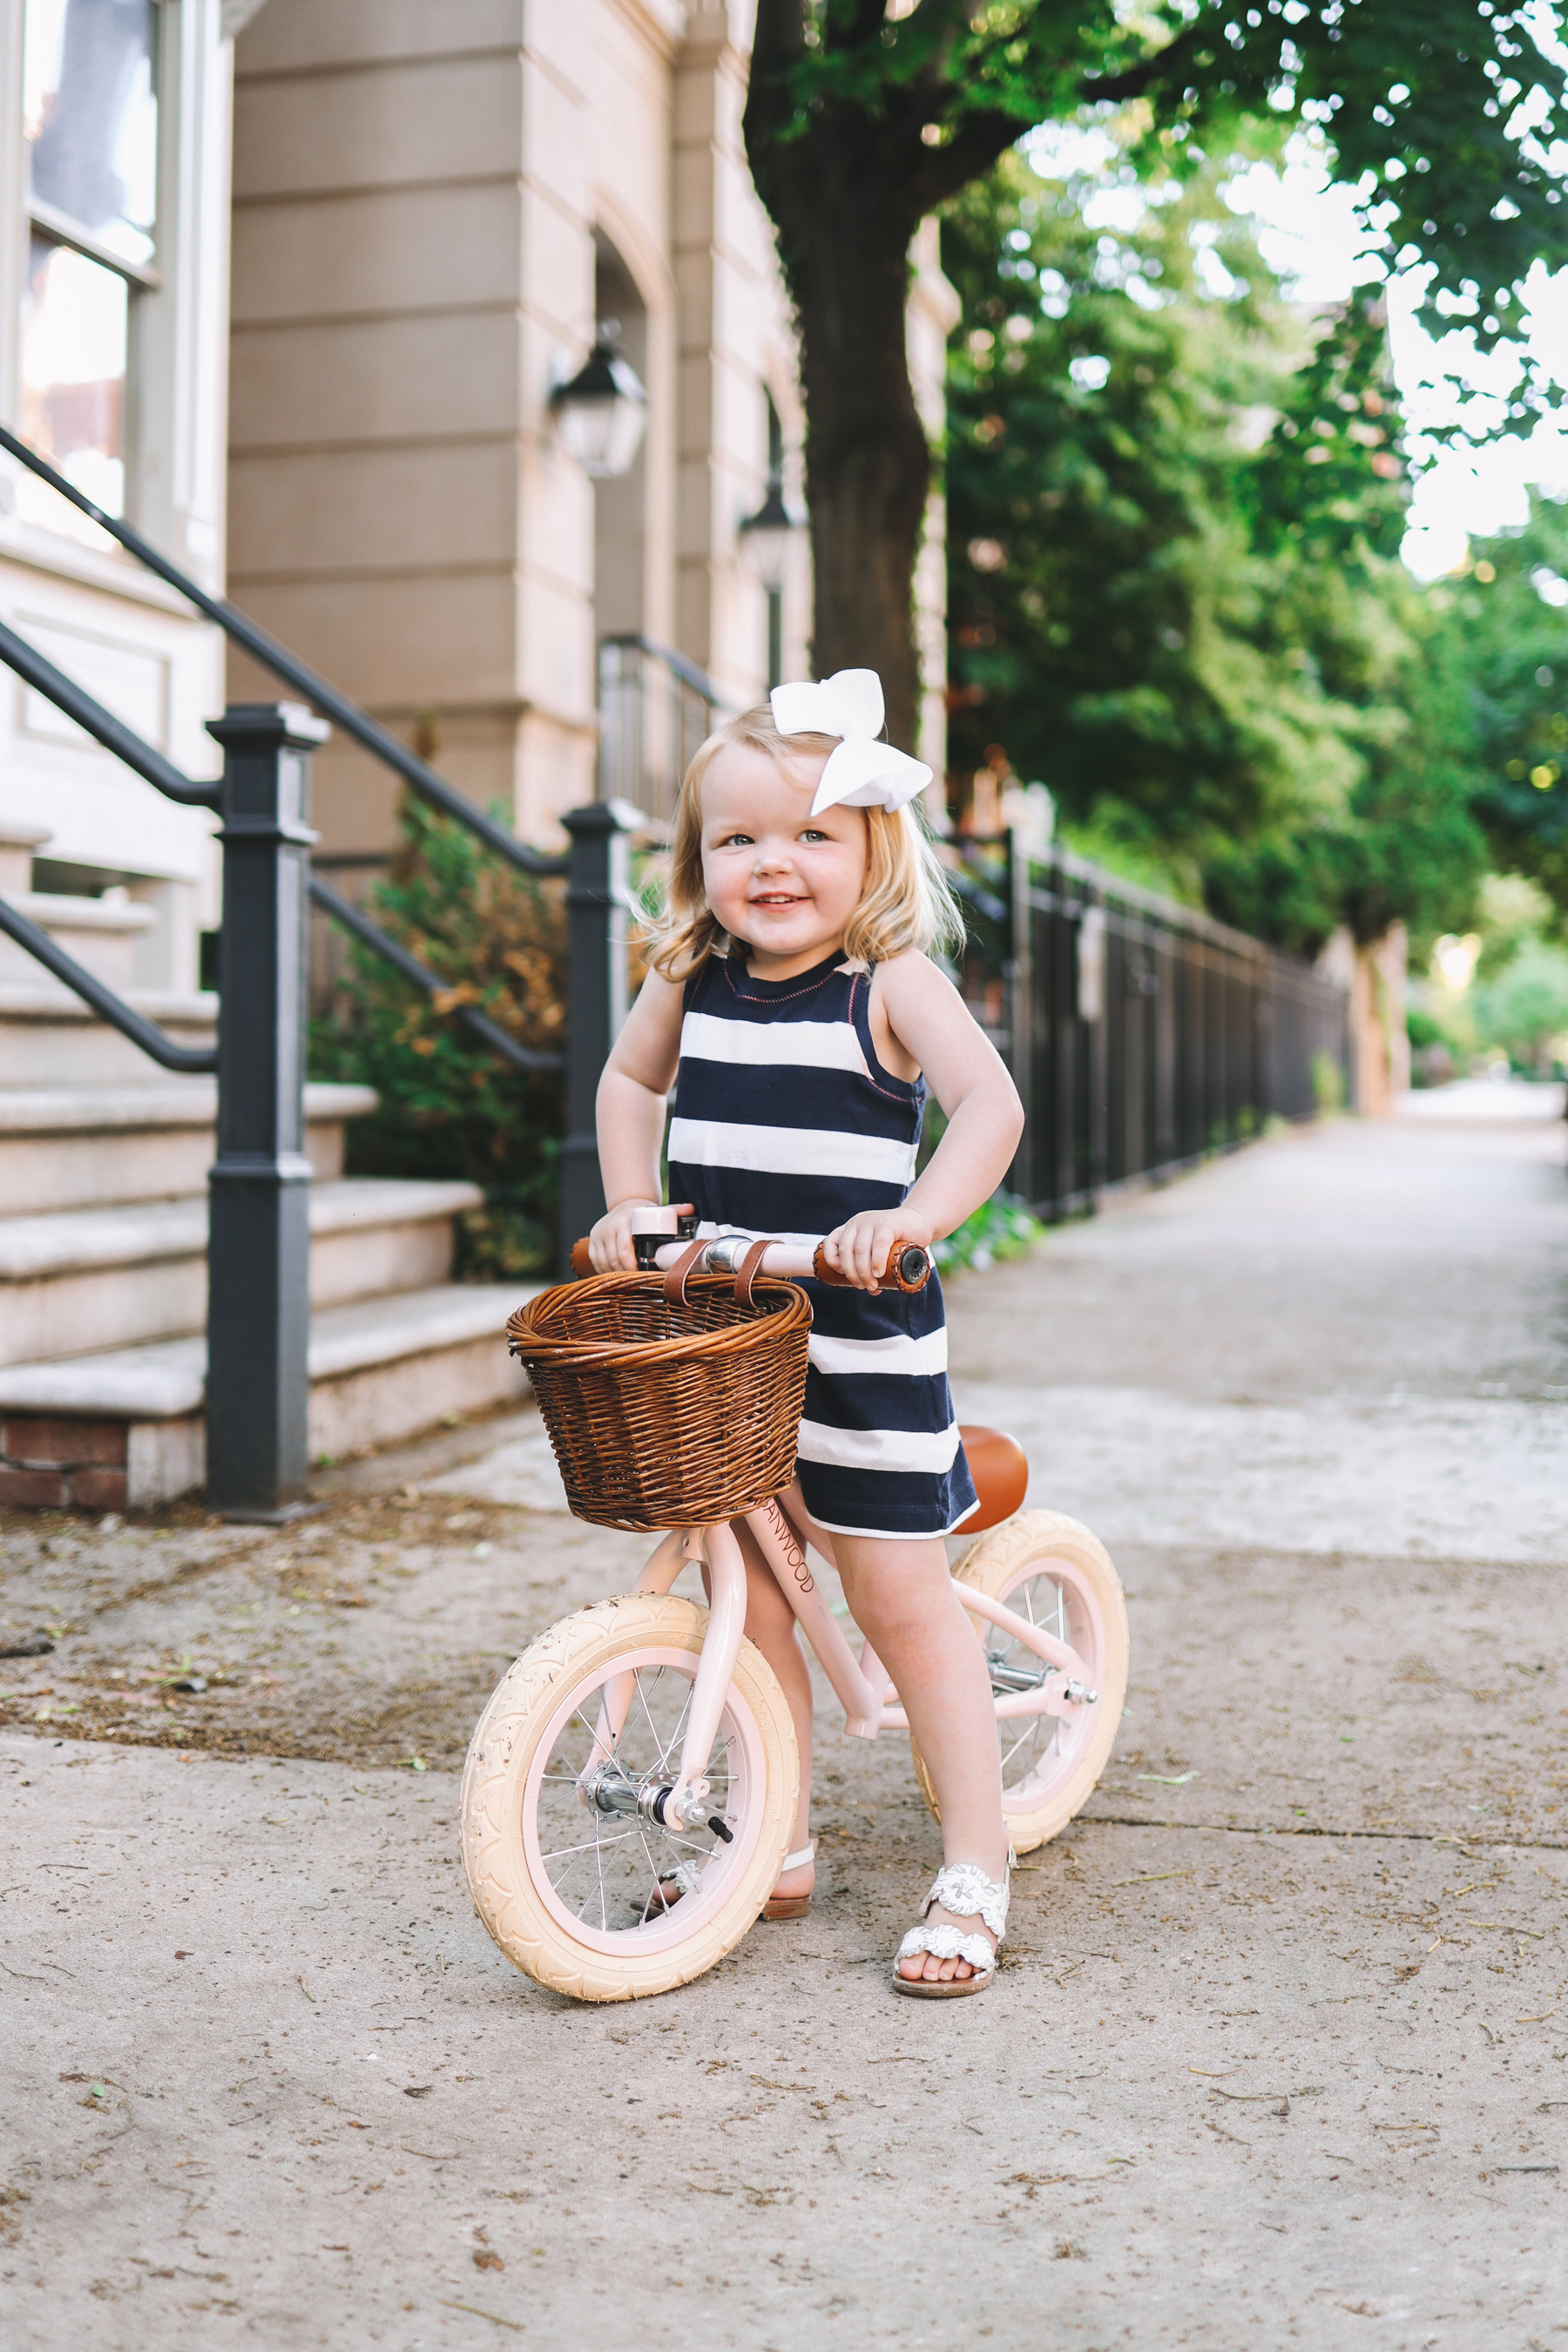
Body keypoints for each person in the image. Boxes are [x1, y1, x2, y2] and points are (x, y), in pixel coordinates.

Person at [588, 670, 1024, 1996]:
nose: (774, 863)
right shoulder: (692, 977)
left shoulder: (888, 985)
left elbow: (989, 1109)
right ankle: (775, 1837)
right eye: (739, 839)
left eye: (811, 835)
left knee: (897, 1595)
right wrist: (628, 1208)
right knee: (757, 1591)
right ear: (699, 860)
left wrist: (910, 1218)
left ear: (871, 850)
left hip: (861, 1338)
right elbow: (626, 1082)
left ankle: (976, 1862)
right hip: (732, 1326)